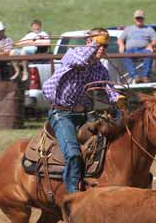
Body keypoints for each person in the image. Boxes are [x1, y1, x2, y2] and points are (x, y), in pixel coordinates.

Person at [42, 28, 127, 194]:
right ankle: (73, 195)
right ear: (89, 42)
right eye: (99, 44)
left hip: (84, 115)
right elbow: (81, 61)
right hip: (62, 113)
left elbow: (108, 88)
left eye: (105, 46)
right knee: (73, 154)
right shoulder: (73, 54)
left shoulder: (100, 69)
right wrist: (96, 43)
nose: (102, 49)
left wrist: (117, 99)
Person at [118, 10, 156, 84]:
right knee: (124, 55)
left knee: (149, 53)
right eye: (137, 18)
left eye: (141, 18)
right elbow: (120, 39)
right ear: (134, 19)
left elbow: (155, 40)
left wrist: (150, 45)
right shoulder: (128, 29)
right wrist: (121, 45)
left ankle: (145, 76)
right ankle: (135, 76)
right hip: (130, 50)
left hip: (143, 50)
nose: (139, 20)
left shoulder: (149, 29)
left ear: (143, 19)